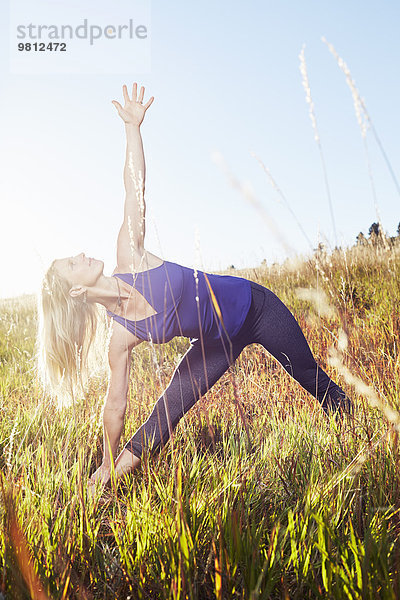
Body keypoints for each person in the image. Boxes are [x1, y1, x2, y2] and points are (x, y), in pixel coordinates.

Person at [38, 83, 353, 498]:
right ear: (76, 293)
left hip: (255, 308)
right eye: (72, 264)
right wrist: (105, 458)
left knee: (307, 374)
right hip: (214, 344)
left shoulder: (129, 256)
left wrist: (133, 129)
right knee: (166, 411)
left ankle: (354, 428)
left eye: (74, 255)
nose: (81, 255)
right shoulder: (120, 338)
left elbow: (135, 190)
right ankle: (106, 480)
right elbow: (115, 406)